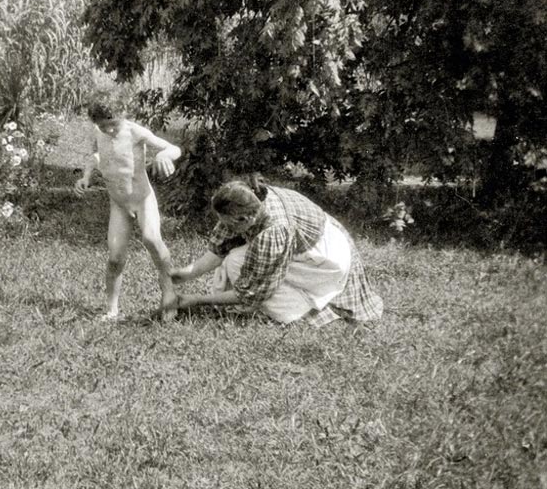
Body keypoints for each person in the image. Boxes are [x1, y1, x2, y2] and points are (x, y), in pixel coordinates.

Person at [167, 175, 383, 326]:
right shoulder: (250, 199)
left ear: (246, 219)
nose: (226, 228)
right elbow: (219, 249)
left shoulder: (272, 232)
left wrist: (197, 299)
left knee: (248, 278)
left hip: (323, 258)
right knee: (233, 260)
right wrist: (183, 274)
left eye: (231, 225)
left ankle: (296, 308)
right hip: (299, 243)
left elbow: (250, 293)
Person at [74, 102, 182, 320]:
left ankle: (168, 289)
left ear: (122, 115)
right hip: (119, 204)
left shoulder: (135, 132)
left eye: (113, 125)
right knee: (115, 257)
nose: (110, 131)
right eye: (104, 127)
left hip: (142, 199)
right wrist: (86, 176)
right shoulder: (99, 133)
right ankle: (112, 310)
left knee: (151, 239)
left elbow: (174, 148)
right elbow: (97, 157)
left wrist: (164, 156)